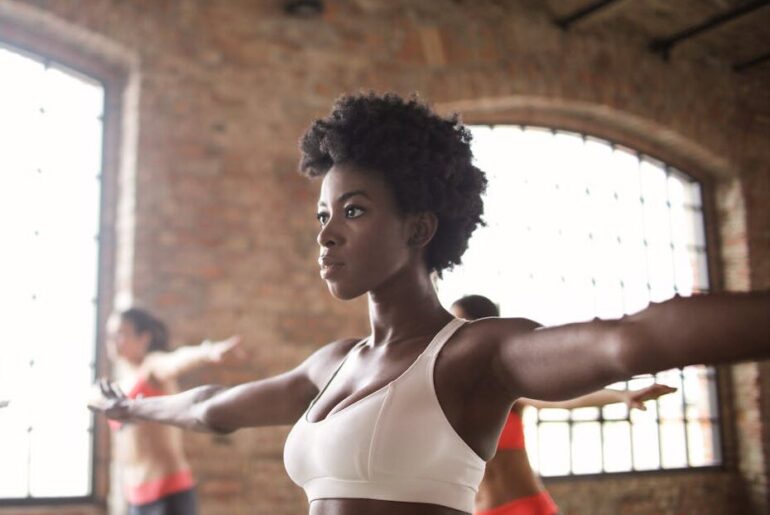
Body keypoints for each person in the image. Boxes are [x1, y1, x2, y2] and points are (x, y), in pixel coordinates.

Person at [90, 93, 770, 515]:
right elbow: (214, 407)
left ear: (418, 228)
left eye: (354, 210)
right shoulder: (332, 363)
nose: (326, 233)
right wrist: (131, 407)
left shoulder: (476, 353)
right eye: (323, 214)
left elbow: (631, 341)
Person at [450, 295, 676, 515]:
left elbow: (564, 399)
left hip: (527, 507)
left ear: (481, 328)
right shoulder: (451, 391)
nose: (451, 332)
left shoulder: (503, 385)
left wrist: (621, 396)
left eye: (459, 323)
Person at [105, 308, 243, 515]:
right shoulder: (119, 384)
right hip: (135, 497)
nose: (112, 341)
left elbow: (175, 361)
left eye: (120, 334)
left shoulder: (152, 367)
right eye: (109, 335)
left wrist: (207, 352)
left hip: (167, 493)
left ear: (143, 338)